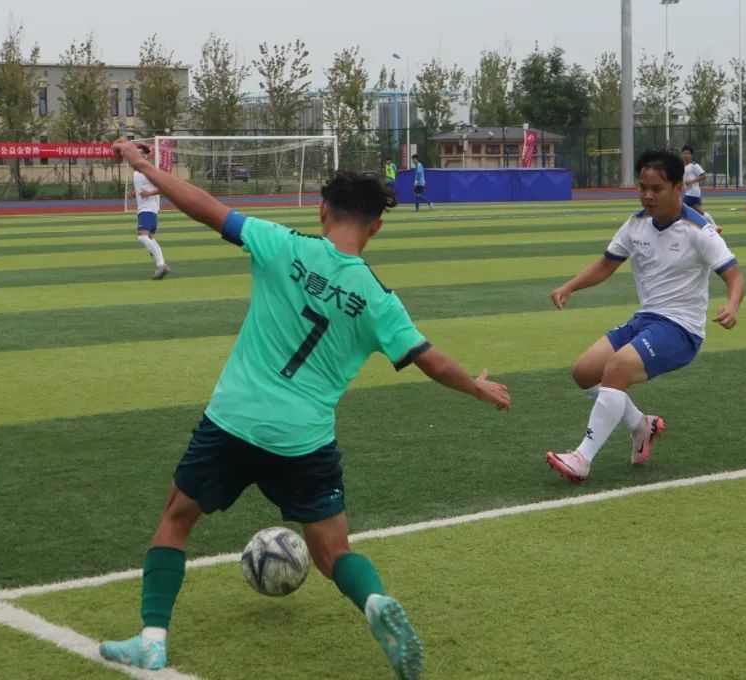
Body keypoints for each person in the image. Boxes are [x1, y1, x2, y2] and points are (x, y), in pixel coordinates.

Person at [101, 138, 511, 679]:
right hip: (304, 439)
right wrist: (477, 388)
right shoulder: (378, 299)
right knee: (334, 553)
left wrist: (144, 165)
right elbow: (429, 361)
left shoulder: (280, 244)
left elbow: (204, 206)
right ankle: (374, 603)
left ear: (322, 212)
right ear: (376, 227)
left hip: (234, 420)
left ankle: (152, 640)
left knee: (177, 517)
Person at [545, 150, 744, 483]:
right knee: (584, 372)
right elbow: (606, 264)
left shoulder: (698, 230)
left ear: (679, 188)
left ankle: (582, 458)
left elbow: (734, 274)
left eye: (657, 188)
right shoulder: (635, 224)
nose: (648, 195)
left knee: (616, 368)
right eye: (643, 187)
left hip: (681, 329)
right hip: (646, 320)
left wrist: (732, 304)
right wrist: (570, 287)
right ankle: (641, 425)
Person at [130, 143, 170, 279]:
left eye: (140, 154)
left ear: (146, 156)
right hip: (146, 209)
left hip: (148, 209)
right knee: (150, 239)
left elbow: (164, 187)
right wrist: (134, 193)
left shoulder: (149, 170)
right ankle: (161, 264)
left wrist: (149, 193)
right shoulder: (137, 171)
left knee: (142, 237)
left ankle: (162, 264)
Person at [680, 145, 719, 232]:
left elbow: (703, 176)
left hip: (692, 192)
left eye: (688, 153)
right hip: (690, 192)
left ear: (691, 155)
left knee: (680, 209)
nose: (686, 155)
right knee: (700, 211)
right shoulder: (682, 166)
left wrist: (692, 181)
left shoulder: (694, 165)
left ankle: (687, 229)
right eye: (684, 153)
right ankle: (715, 227)